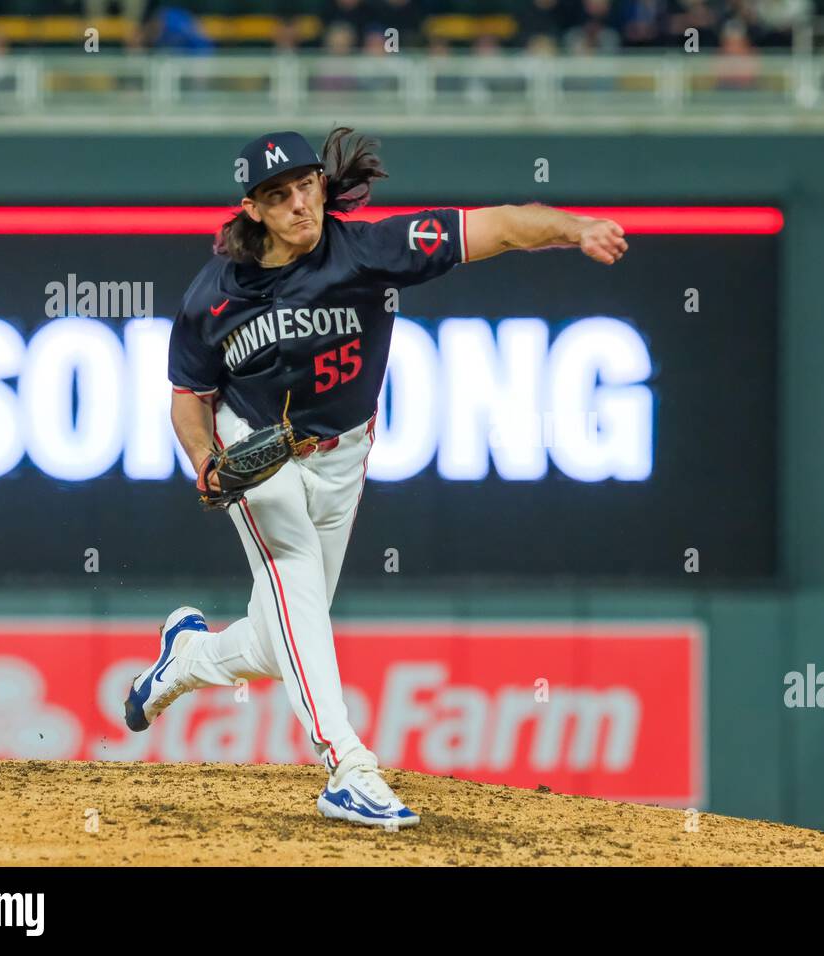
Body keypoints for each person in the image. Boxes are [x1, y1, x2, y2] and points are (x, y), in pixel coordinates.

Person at [124, 128, 627, 829]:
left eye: (305, 184)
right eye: (279, 195)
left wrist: (575, 229)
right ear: (253, 210)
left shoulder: (369, 250)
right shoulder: (214, 295)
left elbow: (502, 228)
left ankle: (183, 660)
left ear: (322, 185)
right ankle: (347, 767)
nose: (299, 202)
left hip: (343, 454)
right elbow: (188, 399)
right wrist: (206, 459)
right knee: (295, 577)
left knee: (283, 639)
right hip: (257, 448)